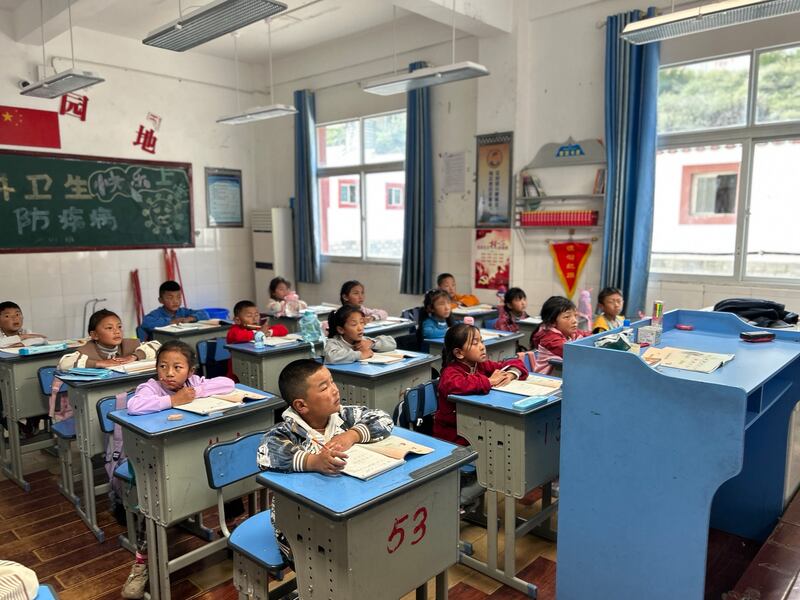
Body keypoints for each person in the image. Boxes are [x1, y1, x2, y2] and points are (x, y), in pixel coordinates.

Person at [121, 340, 235, 599]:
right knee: (151, 504)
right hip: (156, 463)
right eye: (163, 366)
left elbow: (227, 384)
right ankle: (141, 563)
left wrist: (195, 392)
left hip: (191, 455)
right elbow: (134, 406)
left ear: (190, 371)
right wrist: (172, 401)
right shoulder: (151, 387)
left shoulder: (194, 383)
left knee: (226, 472)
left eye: (177, 367)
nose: (169, 373)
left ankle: (231, 529)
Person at [256, 359, 394, 563]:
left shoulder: (344, 416)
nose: (335, 390)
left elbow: (384, 419)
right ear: (301, 405)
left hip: (344, 509)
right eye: (324, 387)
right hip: (300, 526)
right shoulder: (286, 432)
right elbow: (266, 453)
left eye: (332, 382)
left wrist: (352, 435)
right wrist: (313, 461)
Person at [433, 323, 527, 445]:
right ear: (459, 353)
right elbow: (459, 384)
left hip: (475, 425)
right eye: (475, 343)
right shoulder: (450, 373)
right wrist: (490, 381)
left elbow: (514, 363)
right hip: (453, 434)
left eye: (481, 341)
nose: (482, 347)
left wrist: (510, 374)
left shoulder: (480, 365)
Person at [58, 309, 159, 370]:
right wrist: (99, 363)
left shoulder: (128, 344)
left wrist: (134, 356)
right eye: (109, 328)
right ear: (95, 335)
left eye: (119, 327)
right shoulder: (87, 350)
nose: (117, 331)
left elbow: (157, 346)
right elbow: (64, 364)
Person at [225, 300, 289, 380]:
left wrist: (269, 332)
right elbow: (239, 336)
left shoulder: (258, 329)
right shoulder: (234, 330)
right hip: (238, 372)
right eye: (249, 316)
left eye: (256, 315)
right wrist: (259, 333)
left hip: (257, 366)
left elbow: (283, 329)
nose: (254, 319)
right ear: (237, 320)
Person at [530, 296, 591, 374]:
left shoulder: (570, 333)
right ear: (552, 322)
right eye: (567, 317)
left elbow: (588, 336)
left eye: (575, 316)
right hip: (546, 379)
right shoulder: (550, 339)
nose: (575, 321)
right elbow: (574, 353)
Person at [324, 305, 396, 364]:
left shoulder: (363, 341)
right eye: (354, 324)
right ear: (341, 329)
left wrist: (372, 343)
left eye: (362, 323)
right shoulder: (333, 343)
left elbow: (392, 343)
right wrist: (360, 355)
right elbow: (331, 357)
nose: (360, 328)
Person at [140, 280, 209, 334]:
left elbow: (205, 314)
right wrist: (171, 321)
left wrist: (191, 318)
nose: (175, 301)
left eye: (178, 297)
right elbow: (146, 323)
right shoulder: (157, 314)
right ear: (161, 300)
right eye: (170, 298)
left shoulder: (183, 312)